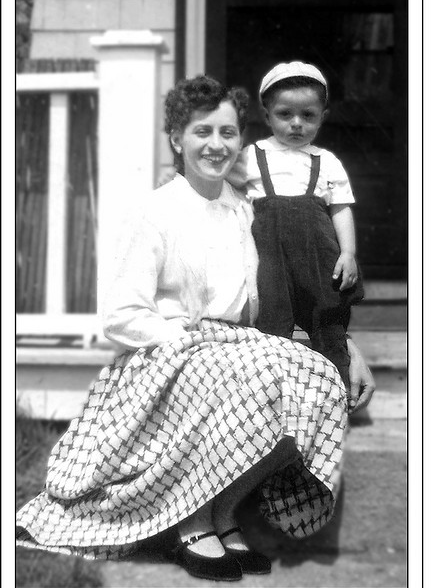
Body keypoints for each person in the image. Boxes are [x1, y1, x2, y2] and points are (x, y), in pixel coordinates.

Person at [15, 75, 375, 582]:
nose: (216, 145)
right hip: (165, 352)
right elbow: (121, 314)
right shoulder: (154, 211)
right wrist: (186, 340)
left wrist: (346, 346)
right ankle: (191, 520)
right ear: (176, 139)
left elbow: (293, 288)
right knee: (238, 370)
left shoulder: (246, 208)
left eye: (228, 133)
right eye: (202, 132)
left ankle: (223, 510)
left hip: (239, 347)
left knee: (317, 379)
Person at [227, 61, 365, 409]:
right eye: (285, 114)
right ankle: (268, 398)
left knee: (327, 321)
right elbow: (230, 198)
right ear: (268, 115)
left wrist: (348, 253)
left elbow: (341, 208)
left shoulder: (326, 160)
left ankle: (334, 393)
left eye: (308, 115)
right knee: (270, 326)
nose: (296, 123)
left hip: (317, 259)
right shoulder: (252, 156)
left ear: (322, 116)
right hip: (269, 258)